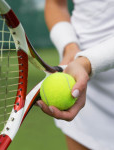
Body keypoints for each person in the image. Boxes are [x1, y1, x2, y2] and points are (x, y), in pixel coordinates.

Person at [36, 0, 114, 150]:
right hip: (83, 88)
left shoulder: (85, 63)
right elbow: (55, 4)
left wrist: (87, 62)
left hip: (83, 67)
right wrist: (69, 46)